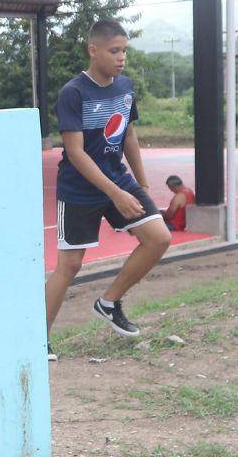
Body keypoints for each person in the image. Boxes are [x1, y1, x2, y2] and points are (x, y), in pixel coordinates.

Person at [44, 19, 171, 359]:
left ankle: (108, 302)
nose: (121, 58)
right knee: (69, 265)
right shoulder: (73, 93)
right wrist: (116, 193)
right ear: (93, 50)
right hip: (79, 189)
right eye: (114, 51)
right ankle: (37, 339)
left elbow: (128, 136)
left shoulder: (125, 87)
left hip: (120, 179)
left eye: (124, 51)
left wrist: (141, 184)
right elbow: (75, 152)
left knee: (159, 237)